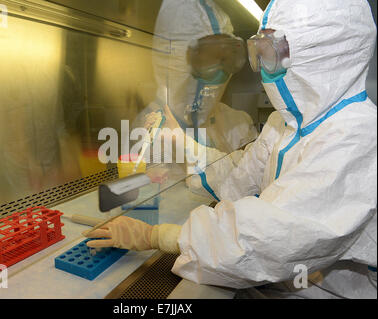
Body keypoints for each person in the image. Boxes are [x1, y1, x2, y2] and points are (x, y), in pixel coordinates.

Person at [86, 0, 377, 299]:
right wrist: (183, 142)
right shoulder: (287, 125)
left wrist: (159, 236)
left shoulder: (357, 137)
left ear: (322, 54)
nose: (263, 71)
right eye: (257, 53)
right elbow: (239, 176)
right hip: (287, 284)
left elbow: (268, 238)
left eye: (271, 54)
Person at [133, 0, 258, 155]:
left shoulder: (238, 124)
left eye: (226, 58)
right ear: (176, 59)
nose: (221, 71)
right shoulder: (146, 128)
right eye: (209, 56)